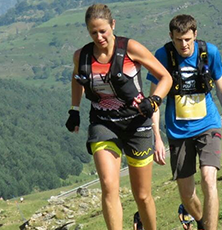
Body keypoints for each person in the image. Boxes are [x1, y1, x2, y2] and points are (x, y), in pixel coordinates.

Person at [65, 4, 173, 230]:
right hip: (103, 124)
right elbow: (77, 79)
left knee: (142, 196)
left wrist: (154, 100)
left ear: (113, 25)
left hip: (137, 124)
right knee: (108, 186)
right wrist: (74, 109)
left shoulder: (130, 48)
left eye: (103, 30)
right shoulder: (82, 56)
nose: (99, 36)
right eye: (93, 32)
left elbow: (165, 77)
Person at [148, 14, 222, 230]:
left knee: (209, 179)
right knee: (186, 194)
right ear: (171, 37)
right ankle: (201, 222)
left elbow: (221, 90)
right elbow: (154, 100)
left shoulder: (209, 52)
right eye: (178, 40)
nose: (184, 45)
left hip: (208, 125)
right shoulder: (163, 56)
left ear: (195, 34)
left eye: (188, 40)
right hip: (178, 131)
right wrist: (156, 137)